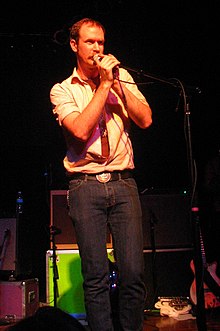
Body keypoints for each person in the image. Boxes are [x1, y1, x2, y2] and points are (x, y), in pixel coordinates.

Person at [50, 17, 152, 331]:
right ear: (74, 45)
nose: (97, 48)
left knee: (133, 273)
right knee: (95, 277)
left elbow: (146, 119)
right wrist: (104, 86)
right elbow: (80, 130)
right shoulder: (61, 90)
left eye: (101, 43)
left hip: (123, 183)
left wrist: (117, 82)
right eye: (90, 42)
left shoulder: (122, 79)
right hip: (85, 186)